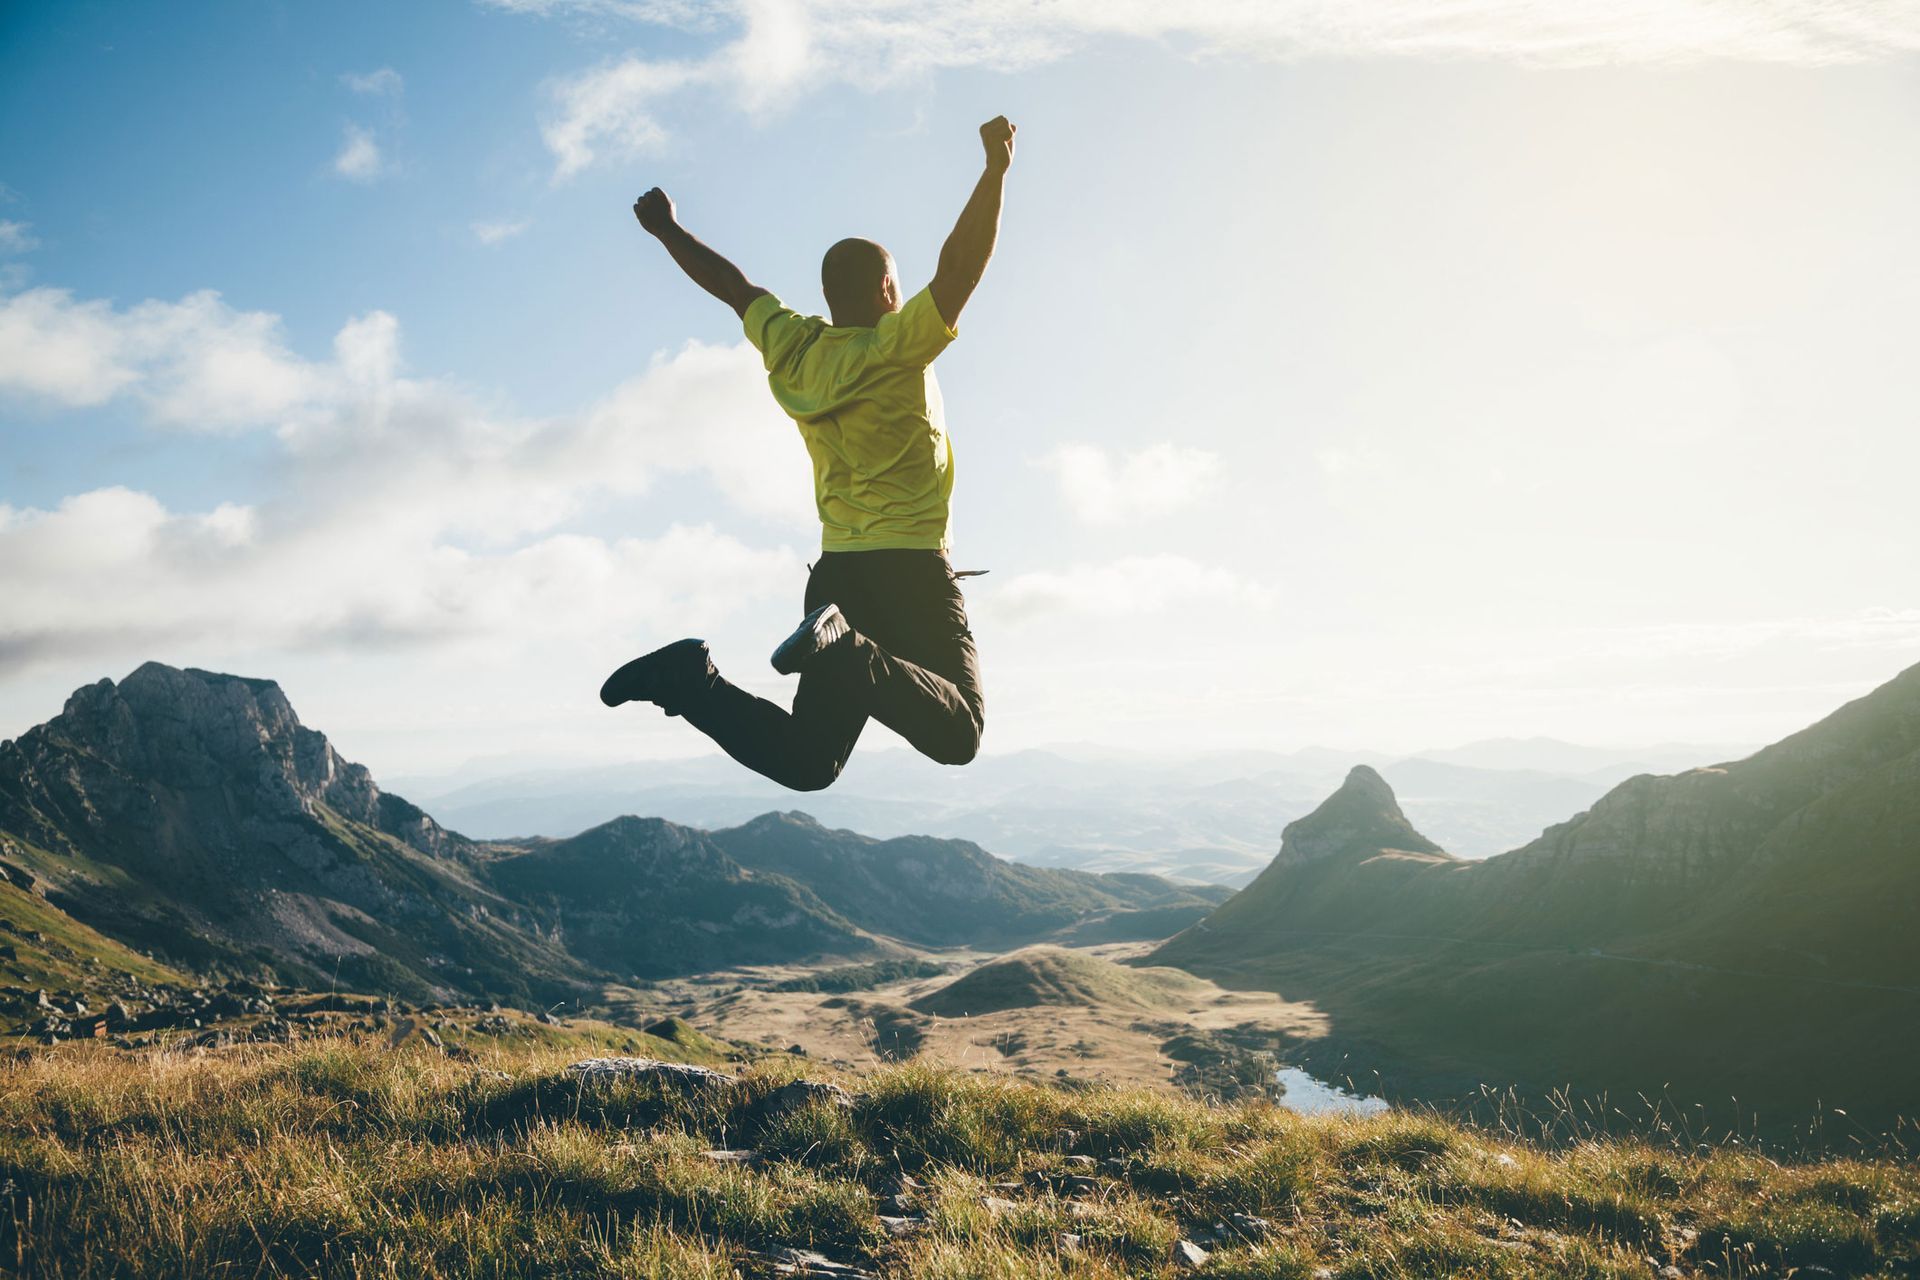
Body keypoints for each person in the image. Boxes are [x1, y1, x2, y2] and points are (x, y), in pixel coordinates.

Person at [599, 115, 1017, 792]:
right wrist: (995, 171)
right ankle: (847, 646)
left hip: (838, 578)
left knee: (809, 760)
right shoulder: (898, 344)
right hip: (909, 567)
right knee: (961, 731)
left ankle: (691, 683)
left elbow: (734, 287)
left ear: (827, 298)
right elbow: (961, 266)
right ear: (888, 293)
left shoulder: (792, 347)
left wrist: (667, 231)